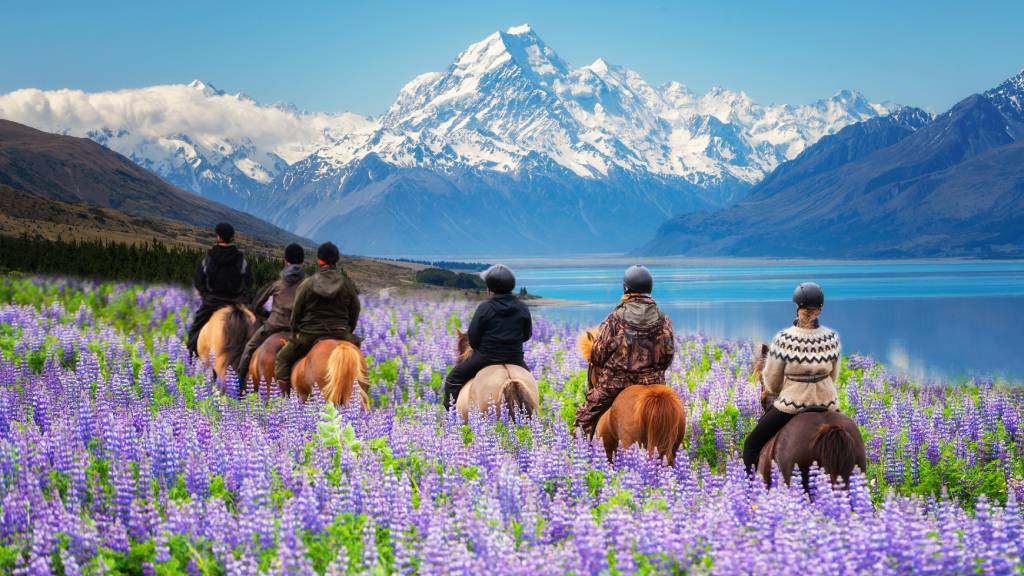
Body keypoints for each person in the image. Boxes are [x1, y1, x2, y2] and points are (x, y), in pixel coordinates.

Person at [741, 282, 842, 473]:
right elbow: (833, 376)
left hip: (792, 404)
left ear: (797, 308)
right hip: (829, 402)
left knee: (751, 445)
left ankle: (752, 492)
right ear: (820, 309)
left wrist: (783, 390)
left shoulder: (784, 339)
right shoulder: (832, 338)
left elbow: (771, 380)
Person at [574, 265, 675, 437]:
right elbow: (668, 356)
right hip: (654, 381)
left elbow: (598, 356)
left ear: (626, 288)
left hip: (616, 383)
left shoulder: (615, 318)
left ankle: (581, 451)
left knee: (585, 417)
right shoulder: (663, 318)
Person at [442, 265, 532, 409]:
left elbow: (473, 338)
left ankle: (452, 417)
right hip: (515, 358)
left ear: (490, 288)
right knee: (530, 383)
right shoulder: (522, 307)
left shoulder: (485, 307)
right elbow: (527, 335)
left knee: (453, 379)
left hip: (485, 357)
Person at [274, 242, 360, 389]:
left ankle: (285, 400)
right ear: (336, 260)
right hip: (340, 332)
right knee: (358, 356)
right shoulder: (347, 285)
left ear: (319, 260)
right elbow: (355, 309)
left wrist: (295, 332)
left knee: (282, 359)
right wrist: (347, 330)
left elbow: (296, 312)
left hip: (310, 334)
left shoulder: (308, 284)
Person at [236, 243, 307, 383]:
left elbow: (256, 305)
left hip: (274, 326)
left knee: (249, 348)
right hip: (299, 329)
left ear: (286, 261)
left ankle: (239, 383)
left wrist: (269, 315)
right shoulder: (308, 284)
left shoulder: (277, 284)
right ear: (302, 262)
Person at [186, 222, 252, 357]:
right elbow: (249, 281)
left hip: (212, 302)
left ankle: (191, 359)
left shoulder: (208, 257)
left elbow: (199, 281)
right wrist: (242, 297)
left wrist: (206, 296)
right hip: (236, 303)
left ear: (218, 237)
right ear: (232, 238)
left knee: (195, 330)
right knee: (255, 329)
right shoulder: (241, 259)